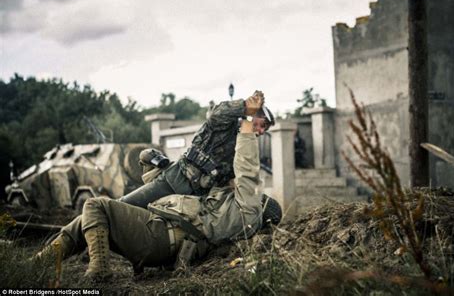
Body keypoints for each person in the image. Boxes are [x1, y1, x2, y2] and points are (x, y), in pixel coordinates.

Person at [33, 115, 282, 281]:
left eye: (259, 198)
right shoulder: (233, 215)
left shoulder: (246, 211)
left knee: (95, 206)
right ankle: (41, 263)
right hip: (165, 236)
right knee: (88, 218)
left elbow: (247, 169)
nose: (252, 194)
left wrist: (249, 123)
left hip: (163, 237)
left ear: (260, 209)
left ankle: (99, 271)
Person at [119, 90, 275, 208]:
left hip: (196, 201)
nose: (261, 131)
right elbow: (217, 113)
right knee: (125, 206)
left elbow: (233, 180)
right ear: (251, 115)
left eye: (265, 129)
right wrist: (244, 106)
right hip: (175, 181)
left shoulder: (245, 147)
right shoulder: (225, 125)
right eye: (261, 124)